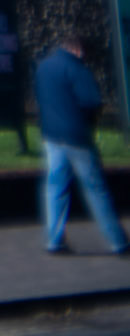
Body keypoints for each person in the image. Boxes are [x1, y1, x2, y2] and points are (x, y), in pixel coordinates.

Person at [34, 32, 128, 256]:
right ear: (78, 49)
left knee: (55, 187)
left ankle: (54, 240)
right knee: (95, 189)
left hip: (51, 135)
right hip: (77, 137)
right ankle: (117, 241)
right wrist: (89, 123)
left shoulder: (43, 67)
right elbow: (91, 101)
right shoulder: (77, 69)